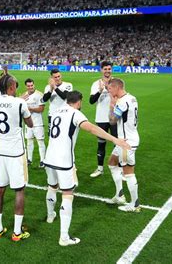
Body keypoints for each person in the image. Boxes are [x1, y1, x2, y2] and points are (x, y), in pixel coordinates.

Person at [43, 91, 130, 246]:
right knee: (68, 194)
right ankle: (64, 237)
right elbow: (91, 128)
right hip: (64, 160)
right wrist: (115, 139)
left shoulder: (56, 111)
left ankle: (50, 215)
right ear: (79, 101)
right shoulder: (75, 113)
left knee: (52, 186)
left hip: (49, 157)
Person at [0, 74, 33, 242]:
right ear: (10, 88)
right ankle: (16, 232)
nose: (17, 88)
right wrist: (22, 102)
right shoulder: (20, 103)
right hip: (16, 152)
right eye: (15, 85)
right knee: (19, 189)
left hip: (0, 151)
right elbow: (30, 124)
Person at [107, 78, 141, 213]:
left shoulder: (121, 102)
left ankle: (135, 204)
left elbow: (112, 121)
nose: (109, 91)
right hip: (124, 140)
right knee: (112, 163)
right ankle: (120, 195)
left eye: (110, 89)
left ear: (116, 88)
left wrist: (112, 106)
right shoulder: (132, 98)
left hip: (126, 142)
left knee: (128, 173)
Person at [89, 61, 117, 178]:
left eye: (109, 69)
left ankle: (119, 169)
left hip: (114, 117)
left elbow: (120, 98)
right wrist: (100, 90)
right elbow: (91, 101)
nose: (107, 71)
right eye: (105, 69)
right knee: (101, 144)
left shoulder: (117, 83)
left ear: (112, 70)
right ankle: (100, 169)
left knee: (117, 144)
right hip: (101, 118)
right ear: (101, 70)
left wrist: (108, 89)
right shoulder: (96, 84)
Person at [21, 78, 46, 167]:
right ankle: (29, 159)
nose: (30, 87)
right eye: (28, 86)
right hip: (28, 123)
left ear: (34, 85)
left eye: (32, 85)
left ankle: (43, 160)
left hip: (38, 123)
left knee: (40, 141)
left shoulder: (39, 95)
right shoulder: (24, 95)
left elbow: (41, 109)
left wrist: (30, 109)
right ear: (26, 86)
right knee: (29, 141)